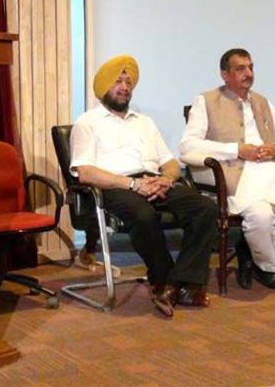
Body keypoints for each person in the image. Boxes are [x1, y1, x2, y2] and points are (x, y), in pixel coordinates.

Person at [70, 55, 218, 317]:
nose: (124, 87)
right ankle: (163, 279)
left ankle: (178, 283)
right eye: (118, 81)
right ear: (104, 86)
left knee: (204, 207)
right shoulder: (87, 122)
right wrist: (133, 184)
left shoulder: (145, 122)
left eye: (128, 82)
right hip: (114, 185)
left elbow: (169, 162)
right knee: (143, 214)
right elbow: (85, 173)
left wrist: (166, 179)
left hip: (153, 180)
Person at [179, 49, 275, 291]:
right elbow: (188, 146)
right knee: (260, 217)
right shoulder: (205, 101)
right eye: (240, 68)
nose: (248, 73)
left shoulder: (262, 101)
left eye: (250, 67)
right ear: (225, 74)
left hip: (272, 170)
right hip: (238, 175)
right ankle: (268, 266)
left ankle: (250, 251)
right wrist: (236, 150)